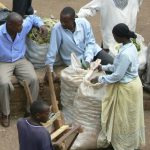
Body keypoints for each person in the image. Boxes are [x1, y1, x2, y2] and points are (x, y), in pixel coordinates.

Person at [91, 23, 145, 150]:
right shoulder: (129, 47)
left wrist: (99, 78)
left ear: (120, 37)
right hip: (132, 84)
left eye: (114, 35)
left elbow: (117, 76)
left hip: (127, 89)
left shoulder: (126, 53)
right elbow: (118, 66)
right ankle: (129, 142)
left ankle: (124, 144)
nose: (113, 37)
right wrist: (103, 67)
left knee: (123, 118)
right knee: (129, 116)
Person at [0, 12, 47, 127]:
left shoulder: (23, 26)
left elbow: (32, 18)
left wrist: (41, 25)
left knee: (33, 79)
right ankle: (5, 114)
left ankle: (30, 111)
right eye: (18, 25)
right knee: (4, 83)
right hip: (3, 62)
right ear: (10, 25)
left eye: (21, 24)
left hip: (21, 60)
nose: (22, 27)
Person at [46, 7, 113, 79]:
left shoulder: (84, 23)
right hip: (76, 62)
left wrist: (88, 60)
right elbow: (52, 50)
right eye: (61, 21)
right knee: (88, 79)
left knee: (112, 64)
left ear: (73, 20)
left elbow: (90, 43)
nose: (62, 23)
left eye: (65, 22)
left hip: (93, 52)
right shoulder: (57, 29)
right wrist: (50, 70)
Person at [77, 0, 143, 53]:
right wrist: (78, 15)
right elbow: (90, 9)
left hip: (127, 38)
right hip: (110, 39)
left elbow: (138, 5)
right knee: (109, 61)